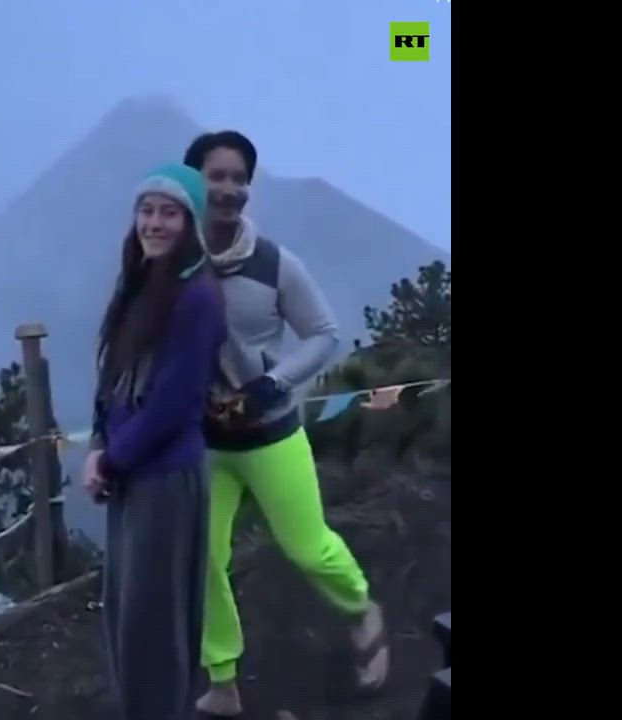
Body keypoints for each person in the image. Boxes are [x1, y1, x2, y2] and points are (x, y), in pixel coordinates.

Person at [182, 131, 391, 717]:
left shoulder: (275, 265)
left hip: (271, 434)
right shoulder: (177, 263)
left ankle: (361, 608)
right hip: (206, 443)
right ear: (193, 183)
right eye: (216, 176)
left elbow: (323, 335)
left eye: (239, 178)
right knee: (205, 559)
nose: (229, 189)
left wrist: (274, 383)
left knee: (307, 548)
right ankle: (223, 680)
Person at [82, 162, 228, 720]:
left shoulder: (197, 299)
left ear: (190, 223)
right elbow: (112, 375)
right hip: (129, 472)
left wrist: (110, 460)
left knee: (155, 622)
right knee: (127, 614)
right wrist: (98, 445)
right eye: (147, 210)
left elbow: (174, 405)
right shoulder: (140, 281)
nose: (155, 223)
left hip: (165, 479)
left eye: (169, 213)